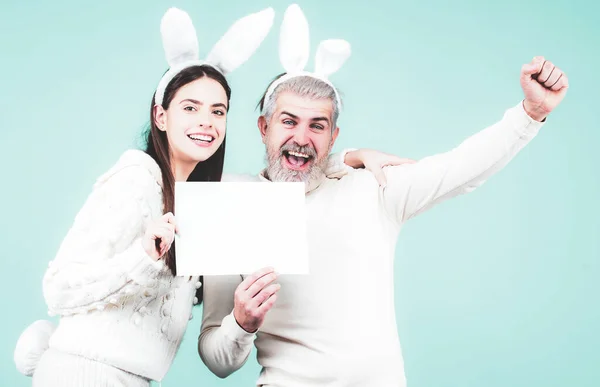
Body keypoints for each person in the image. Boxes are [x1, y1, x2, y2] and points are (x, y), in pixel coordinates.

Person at [13, 7, 413, 386]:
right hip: (85, 374)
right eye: (191, 107)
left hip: (130, 378)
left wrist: (347, 158)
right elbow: (59, 288)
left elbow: (300, 163)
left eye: (218, 111)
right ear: (161, 116)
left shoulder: (202, 202)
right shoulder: (136, 178)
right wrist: (143, 257)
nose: (206, 121)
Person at [197, 4, 569, 387]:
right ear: (264, 127)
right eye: (288, 121)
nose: (301, 138)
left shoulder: (371, 186)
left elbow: (460, 169)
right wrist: (241, 324)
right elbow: (216, 358)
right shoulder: (229, 203)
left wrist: (530, 113)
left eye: (317, 126)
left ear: (333, 137)